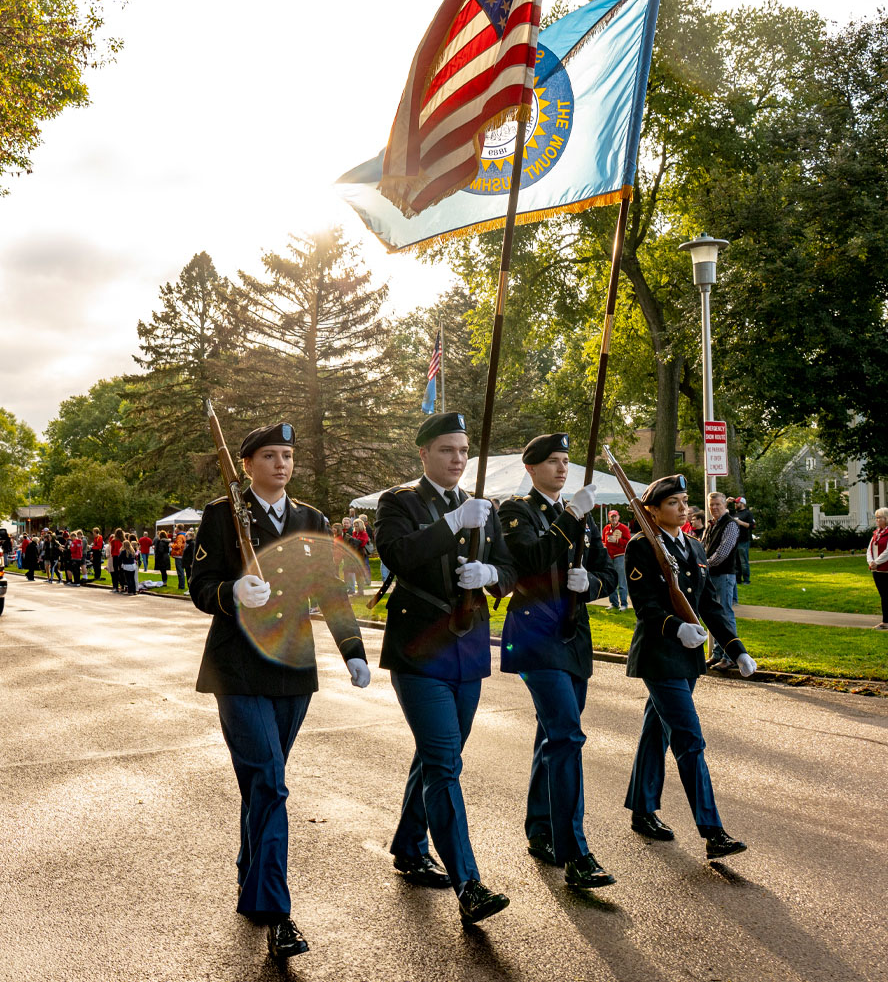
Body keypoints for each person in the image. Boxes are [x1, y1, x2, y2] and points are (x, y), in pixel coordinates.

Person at [190, 421, 370, 961]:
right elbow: (200, 587)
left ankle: (252, 873)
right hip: (238, 668)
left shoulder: (310, 520)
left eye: (287, 455)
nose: (281, 464)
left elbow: (331, 590)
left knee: (265, 783)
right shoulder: (222, 515)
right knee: (269, 780)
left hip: (293, 668)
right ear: (246, 465)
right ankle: (277, 913)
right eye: (269, 456)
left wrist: (353, 648)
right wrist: (231, 591)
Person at [374, 411, 517, 925]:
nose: (457, 459)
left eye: (462, 451)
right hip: (419, 651)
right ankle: (469, 884)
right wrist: (452, 524)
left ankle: (410, 846)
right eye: (446, 451)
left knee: (440, 755)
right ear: (424, 454)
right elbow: (396, 553)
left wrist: (492, 573)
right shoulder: (400, 502)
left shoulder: (485, 506)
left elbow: (509, 566)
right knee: (444, 765)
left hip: (470, 647)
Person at [499, 433, 619, 888]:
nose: (563, 469)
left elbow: (609, 573)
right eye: (553, 462)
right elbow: (531, 558)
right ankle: (576, 851)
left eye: (566, 461)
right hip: (535, 634)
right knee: (567, 736)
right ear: (530, 468)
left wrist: (591, 584)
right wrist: (572, 515)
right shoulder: (516, 510)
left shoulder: (583, 517)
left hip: (573, 637)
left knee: (552, 735)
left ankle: (540, 828)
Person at [622, 474, 754, 860]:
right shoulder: (641, 547)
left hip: (689, 658)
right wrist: (677, 627)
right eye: (674, 503)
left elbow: (711, 604)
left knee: (656, 732)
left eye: (684, 501)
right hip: (660, 657)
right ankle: (713, 832)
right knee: (689, 740)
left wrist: (736, 648)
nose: (684, 508)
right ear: (652, 510)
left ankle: (643, 809)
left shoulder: (694, 547)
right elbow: (646, 607)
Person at [701, 492, 741, 668]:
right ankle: (718, 653)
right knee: (715, 615)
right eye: (711, 505)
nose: (714, 508)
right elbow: (702, 547)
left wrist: (704, 565)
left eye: (717, 504)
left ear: (725, 505)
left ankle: (730, 656)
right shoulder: (711, 525)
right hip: (711, 575)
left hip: (723, 575)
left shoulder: (730, 524)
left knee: (724, 614)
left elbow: (723, 552)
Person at [601, 508, 631, 612]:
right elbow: (602, 540)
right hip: (609, 557)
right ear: (609, 518)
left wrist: (617, 540)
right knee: (611, 580)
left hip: (619, 556)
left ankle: (624, 604)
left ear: (618, 517)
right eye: (611, 516)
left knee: (621, 581)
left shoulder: (623, 528)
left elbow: (628, 542)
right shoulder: (606, 528)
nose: (613, 518)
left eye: (615, 516)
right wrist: (603, 545)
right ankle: (613, 603)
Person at [730, 497, 756, 585]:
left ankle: (746, 579)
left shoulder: (748, 513)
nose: (735, 504)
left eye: (737, 503)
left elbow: (753, 526)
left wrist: (741, 523)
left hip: (743, 540)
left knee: (743, 561)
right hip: (735, 541)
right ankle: (738, 579)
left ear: (743, 504)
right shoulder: (735, 513)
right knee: (736, 562)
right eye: (735, 503)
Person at [171, 524, 187, 590]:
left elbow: (178, 546)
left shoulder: (180, 536)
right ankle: (181, 586)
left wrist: (172, 545)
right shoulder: (184, 535)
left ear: (178, 529)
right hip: (182, 555)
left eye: (176, 528)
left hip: (179, 555)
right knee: (181, 571)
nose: (175, 529)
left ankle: (181, 586)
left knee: (180, 572)